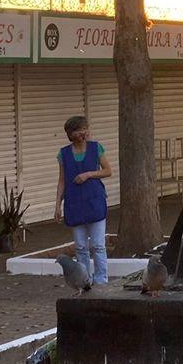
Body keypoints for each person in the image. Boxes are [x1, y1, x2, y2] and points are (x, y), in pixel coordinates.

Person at [54, 115, 113, 286]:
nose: (83, 133)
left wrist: (89, 174)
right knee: (80, 246)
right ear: (70, 134)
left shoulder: (96, 148)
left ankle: (101, 280)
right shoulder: (63, 154)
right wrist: (58, 204)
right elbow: (62, 181)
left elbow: (108, 170)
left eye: (85, 129)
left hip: (94, 201)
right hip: (74, 203)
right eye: (79, 130)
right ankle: (84, 280)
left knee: (98, 245)